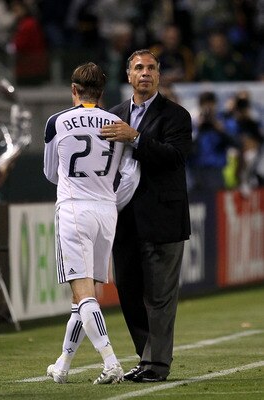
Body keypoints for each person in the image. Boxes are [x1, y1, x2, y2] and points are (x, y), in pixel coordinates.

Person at [44, 62, 140, 385]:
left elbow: (49, 172)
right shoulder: (117, 123)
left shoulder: (56, 122)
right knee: (85, 297)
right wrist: (111, 199)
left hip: (74, 208)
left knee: (83, 295)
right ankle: (63, 364)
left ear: (74, 90)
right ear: (101, 93)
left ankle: (111, 361)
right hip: (106, 210)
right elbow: (129, 174)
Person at [100, 49, 192, 382]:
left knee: (160, 297)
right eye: (139, 67)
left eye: (151, 68)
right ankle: (145, 357)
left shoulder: (177, 116)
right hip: (124, 221)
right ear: (128, 75)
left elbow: (174, 157)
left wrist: (135, 138)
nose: (145, 73)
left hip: (163, 220)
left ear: (158, 75)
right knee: (127, 290)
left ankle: (157, 364)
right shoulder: (113, 115)